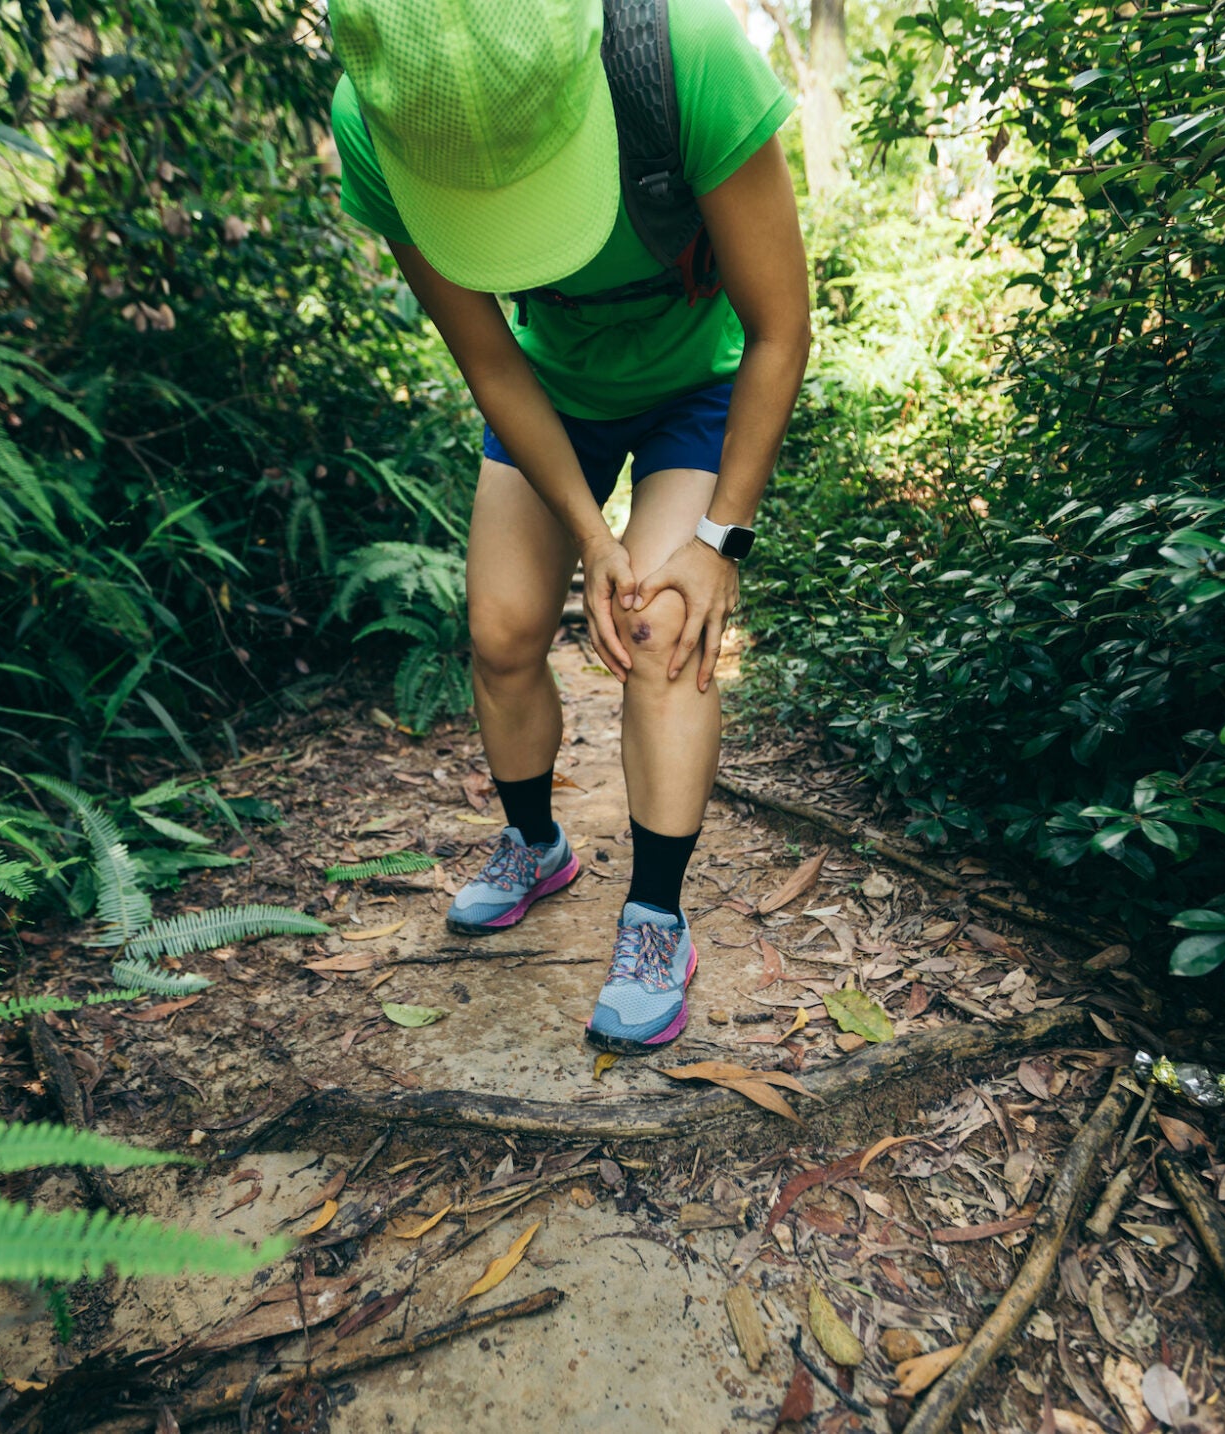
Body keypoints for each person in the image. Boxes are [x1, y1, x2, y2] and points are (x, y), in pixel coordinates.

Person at [328, 0, 809, 1052]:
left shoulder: (687, 58)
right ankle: (535, 845)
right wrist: (594, 537)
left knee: (663, 631)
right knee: (500, 630)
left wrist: (718, 539)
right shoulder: (377, 114)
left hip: (701, 388)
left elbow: (781, 325)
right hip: (551, 397)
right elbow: (491, 358)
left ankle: (655, 918)